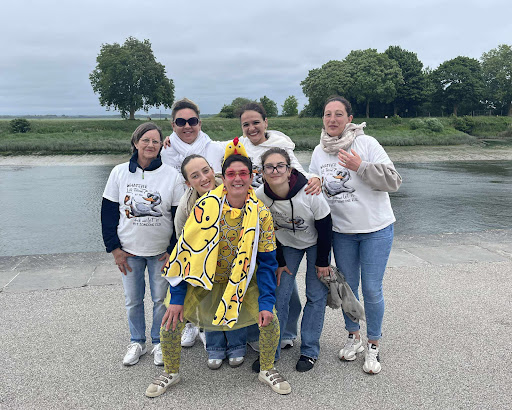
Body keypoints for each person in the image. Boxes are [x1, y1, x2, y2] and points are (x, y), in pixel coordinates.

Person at [145, 140, 291, 397]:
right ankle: (170, 372)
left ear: (251, 176)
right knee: (171, 321)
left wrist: (267, 301)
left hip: (243, 279)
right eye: (231, 173)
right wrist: (177, 298)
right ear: (223, 177)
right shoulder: (205, 207)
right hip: (203, 277)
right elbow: (186, 254)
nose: (238, 178)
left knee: (271, 321)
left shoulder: (261, 214)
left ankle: (267, 368)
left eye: (243, 173)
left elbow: (267, 262)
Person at [309, 96, 402, 374]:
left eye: (339, 114)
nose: (332, 119)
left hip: (376, 229)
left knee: (372, 288)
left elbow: (394, 180)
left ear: (350, 119)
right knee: (346, 288)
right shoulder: (319, 151)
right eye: (328, 114)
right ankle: (354, 336)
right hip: (342, 232)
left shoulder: (367, 143)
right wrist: (314, 181)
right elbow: (313, 179)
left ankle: (373, 343)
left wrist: (360, 166)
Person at [101, 122, 182, 367]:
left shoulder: (172, 175)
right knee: (133, 300)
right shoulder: (119, 172)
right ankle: (137, 341)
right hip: (129, 252)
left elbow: (179, 218)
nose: (150, 145)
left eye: (155, 141)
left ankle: (158, 341)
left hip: (160, 253)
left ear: (161, 146)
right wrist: (114, 249)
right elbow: (108, 214)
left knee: (160, 300)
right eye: (145, 140)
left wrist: (173, 250)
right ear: (136, 143)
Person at [255, 147, 332, 372]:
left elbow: (325, 226)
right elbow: (266, 232)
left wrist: (322, 262)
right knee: (279, 294)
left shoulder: (309, 191)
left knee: (315, 295)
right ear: (262, 172)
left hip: (316, 242)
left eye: (281, 166)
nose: (275, 171)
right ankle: (272, 350)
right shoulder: (260, 196)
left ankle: (309, 350)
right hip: (286, 244)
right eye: (270, 167)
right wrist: (279, 262)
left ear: (289, 170)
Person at [161, 98, 224, 347]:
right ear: (172, 124)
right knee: (189, 266)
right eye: (180, 121)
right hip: (181, 210)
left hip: (215, 212)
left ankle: (209, 325)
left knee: (212, 275)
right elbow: (144, 156)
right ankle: (190, 322)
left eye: (192, 121)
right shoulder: (165, 150)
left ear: (200, 122)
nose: (187, 126)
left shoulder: (215, 147)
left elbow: (250, 142)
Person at [176, 154, 247, 369]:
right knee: (209, 304)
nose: (203, 178)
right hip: (205, 263)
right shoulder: (187, 205)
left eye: (206, 171)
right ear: (188, 182)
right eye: (195, 176)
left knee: (233, 300)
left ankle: (237, 344)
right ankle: (215, 346)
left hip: (234, 259)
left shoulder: (230, 187)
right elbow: (181, 237)